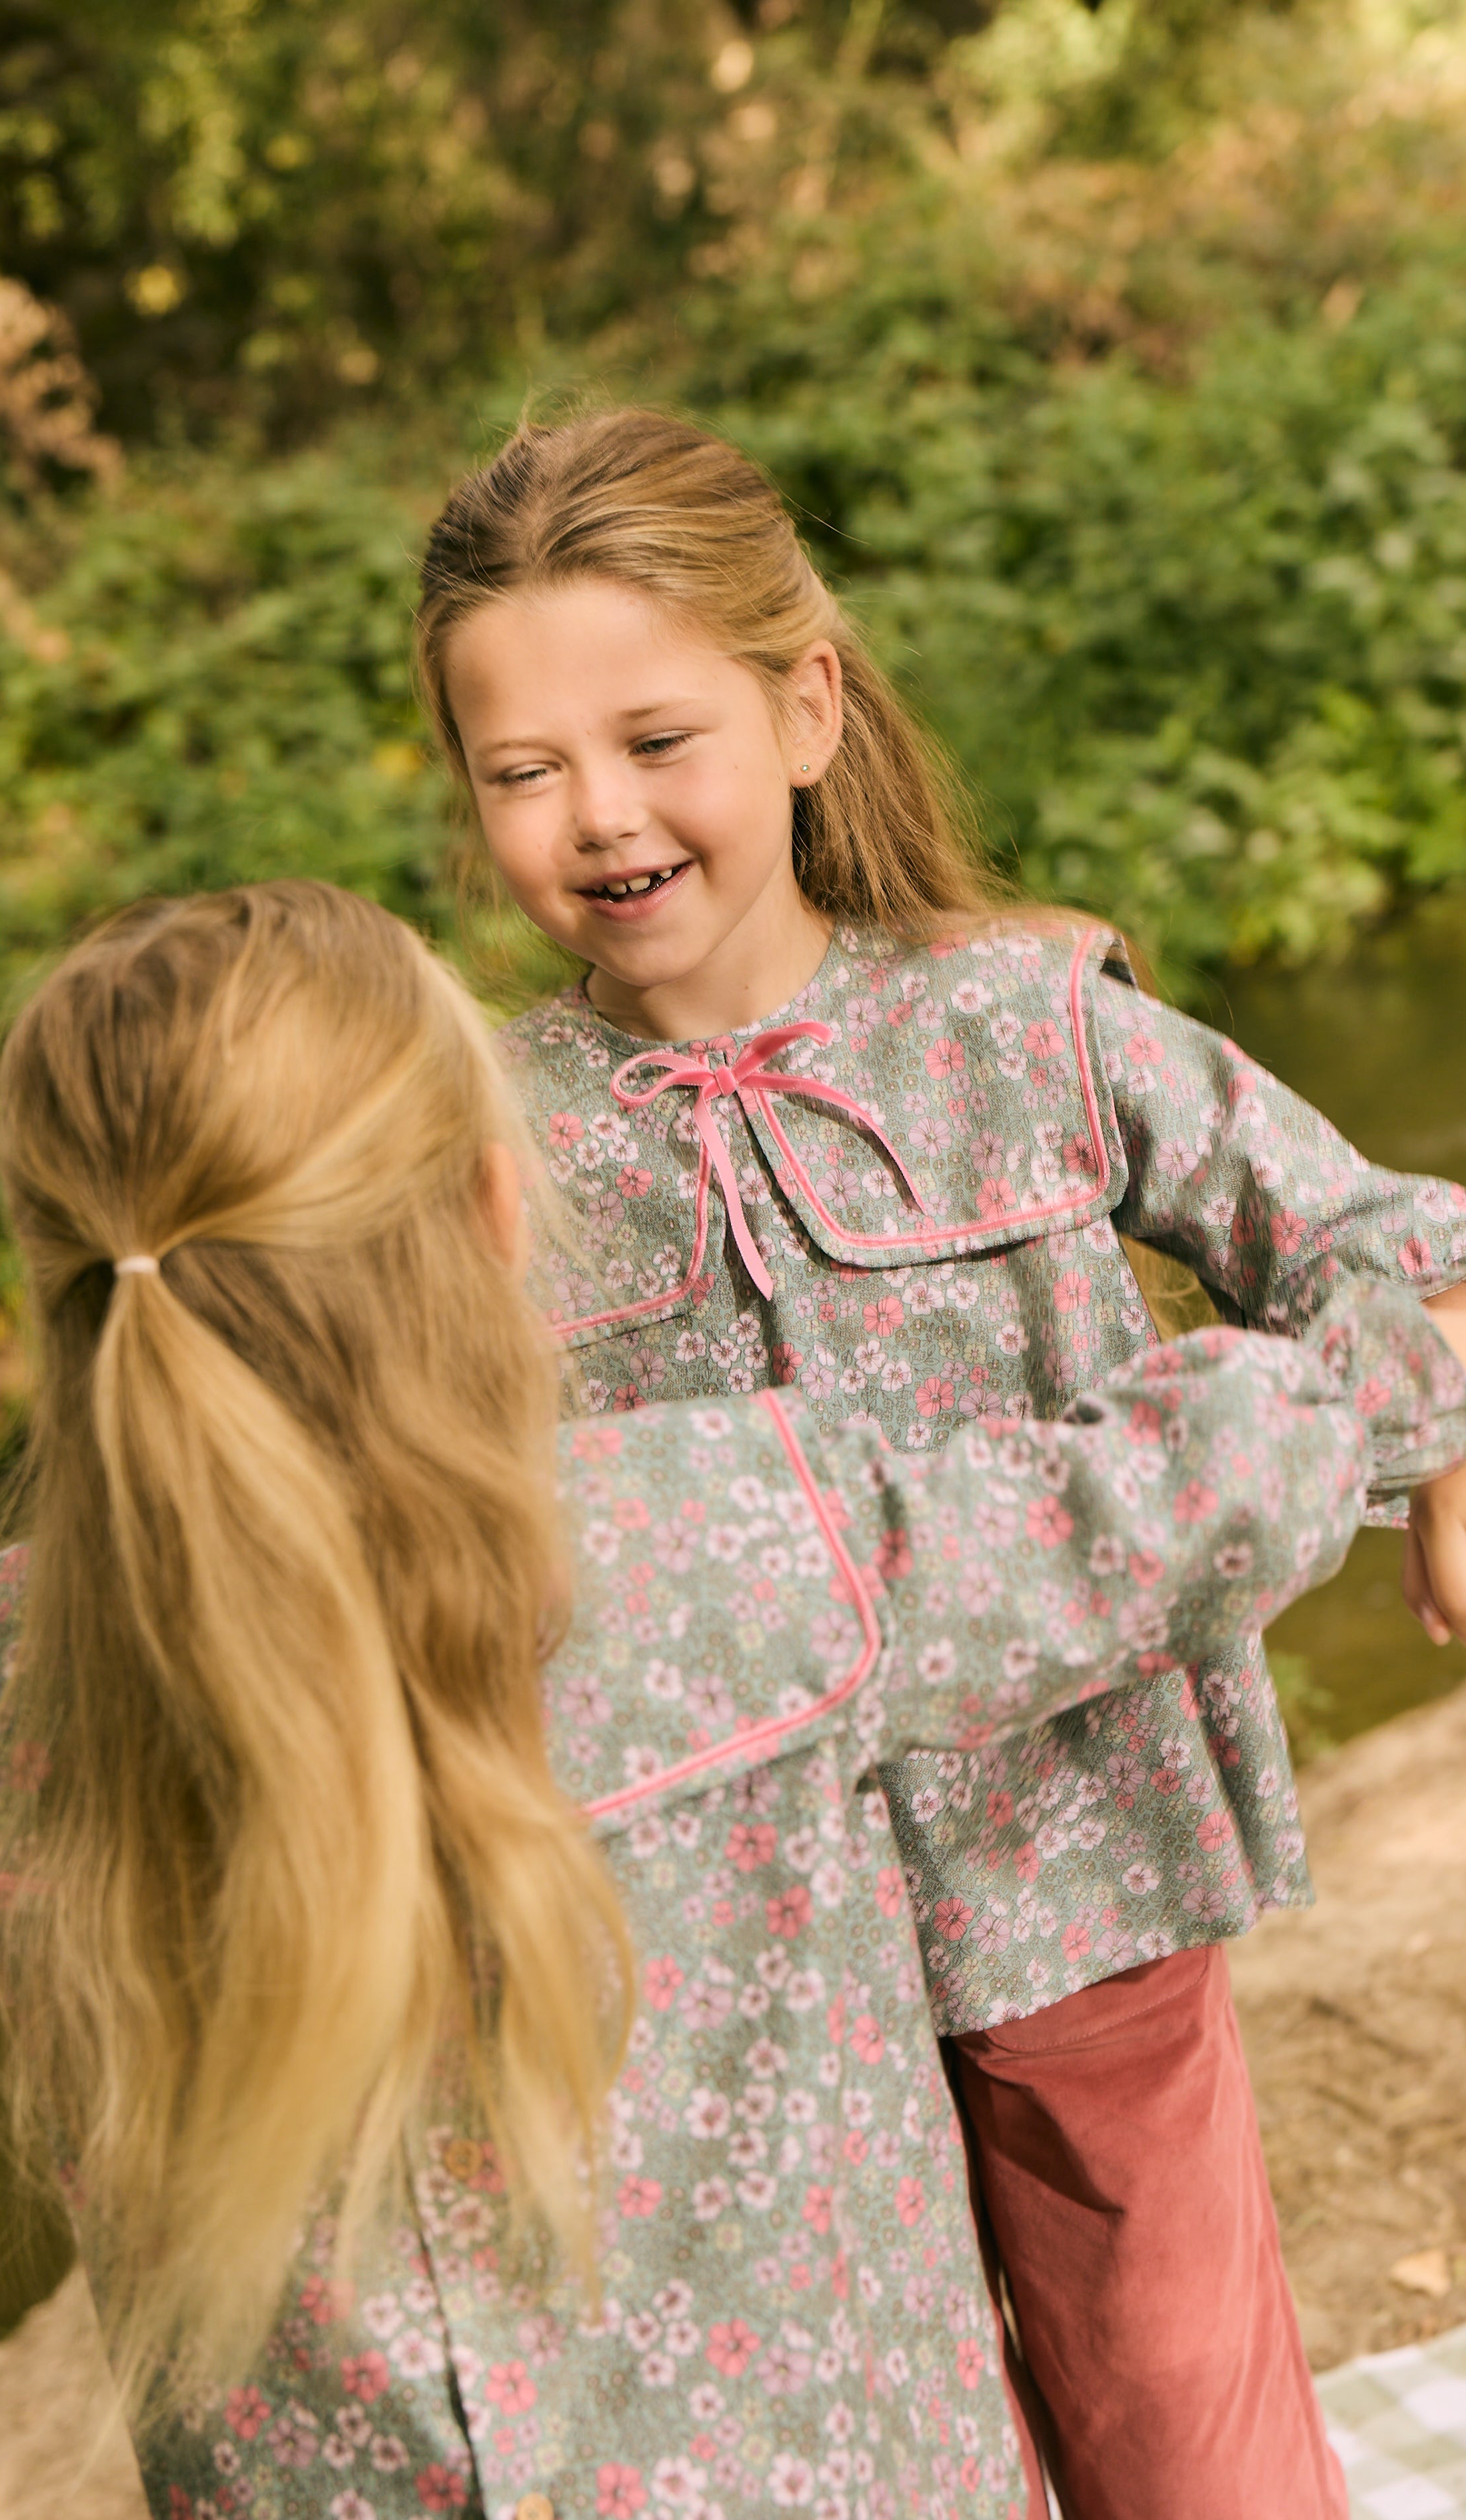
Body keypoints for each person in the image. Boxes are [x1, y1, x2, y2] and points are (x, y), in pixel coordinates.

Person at [0, 882, 1463, 2520]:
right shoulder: (728, 1543)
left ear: (67, 1290)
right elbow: (1151, 1501)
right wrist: (1414, 1357)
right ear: (497, 1215)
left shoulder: (16, 1705)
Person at [413, 409, 1466, 2519]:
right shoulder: (479, 1145)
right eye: (522, 770)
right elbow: (386, 1479)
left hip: (1086, 1868)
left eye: (655, 738)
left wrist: (1434, 1431)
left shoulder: (1021, 1018)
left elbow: (1376, 1237)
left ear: (803, 707)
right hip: (738, 1994)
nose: (598, 814)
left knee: (1192, 2445)